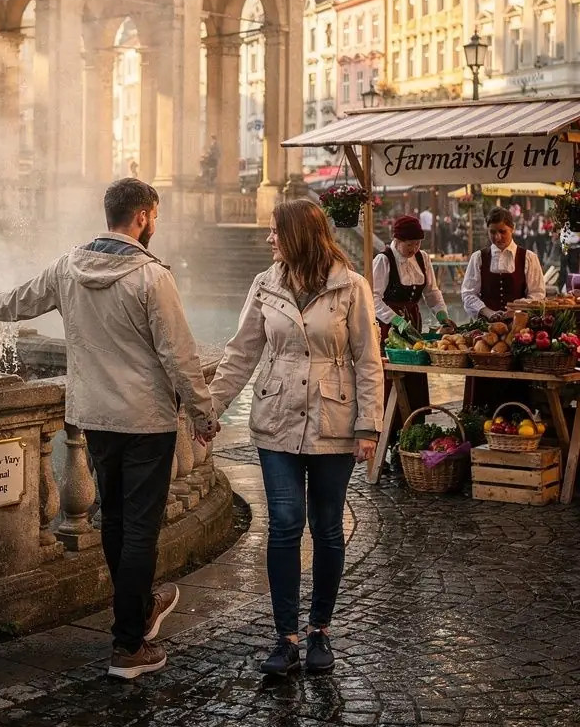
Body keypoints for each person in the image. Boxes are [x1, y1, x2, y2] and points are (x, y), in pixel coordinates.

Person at [0, 178, 219, 682]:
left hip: (95, 418)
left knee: (115, 521)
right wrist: (204, 415)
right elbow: (180, 357)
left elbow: (15, 303)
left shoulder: (68, 268)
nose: (154, 224)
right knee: (139, 529)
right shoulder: (152, 277)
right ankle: (128, 645)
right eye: (154, 216)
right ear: (142, 217)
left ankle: (137, 612)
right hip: (146, 421)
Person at [209, 200, 382, 678]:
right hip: (277, 420)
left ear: (299, 236)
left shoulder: (351, 286)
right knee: (285, 524)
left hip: (334, 421)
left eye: (275, 232)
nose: (269, 239)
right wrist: (209, 408)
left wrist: (368, 426)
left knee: (327, 527)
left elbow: (368, 359)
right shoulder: (265, 284)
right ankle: (285, 637)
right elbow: (241, 353)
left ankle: (320, 629)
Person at [373, 214, 456, 419]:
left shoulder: (423, 258)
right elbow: (373, 298)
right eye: (410, 244)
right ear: (397, 240)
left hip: (414, 324)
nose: (414, 249)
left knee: (415, 370)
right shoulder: (384, 260)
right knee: (393, 375)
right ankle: (392, 425)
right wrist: (396, 320)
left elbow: (432, 292)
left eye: (418, 244)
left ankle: (416, 421)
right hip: (389, 328)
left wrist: (442, 316)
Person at [462, 206, 546, 321]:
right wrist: (489, 313)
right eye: (492, 232)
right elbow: (468, 294)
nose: (497, 237)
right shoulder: (478, 258)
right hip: (486, 325)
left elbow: (537, 294)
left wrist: (517, 309)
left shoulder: (529, 258)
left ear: (512, 228)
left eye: (502, 231)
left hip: (519, 325)